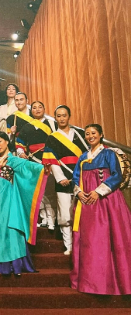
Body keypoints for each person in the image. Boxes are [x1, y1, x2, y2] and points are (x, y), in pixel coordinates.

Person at [0, 132, 48, 276]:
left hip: (8, 198)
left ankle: (11, 264)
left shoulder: (15, 160)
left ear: (7, 141)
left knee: (9, 229)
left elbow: (32, 168)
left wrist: (45, 168)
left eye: (0, 141)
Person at [70, 124, 131, 295]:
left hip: (106, 200)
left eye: (93, 133)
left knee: (110, 237)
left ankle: (115, 282)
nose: (90, 136)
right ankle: (91, 282)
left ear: (101, 135)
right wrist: (79, 192)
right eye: (87, 133)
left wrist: (98, 192)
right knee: (91, 240)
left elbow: (116, 175)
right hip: (87, 202)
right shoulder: (83, 157)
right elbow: (75, 177)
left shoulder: (108, 154)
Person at [42, 105, 88, 255]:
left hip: (81, 178)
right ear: (55, 118)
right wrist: (61, 178)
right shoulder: (52, 138)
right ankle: (69, 246)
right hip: (62, 180)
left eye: (64, 115)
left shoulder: (80, 134)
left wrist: (81, 175)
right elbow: (50, 160)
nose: (62, 119)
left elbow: (88, 155)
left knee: (82, 212)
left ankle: (83, 245)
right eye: (59, 116)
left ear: (69, 116)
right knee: (64, 214)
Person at [15, 101, 57, 231]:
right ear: (31, 110)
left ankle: (52, 219)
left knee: (49, 189)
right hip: (32, 160)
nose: (37, 110)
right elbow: (20, 142)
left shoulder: (52, 124)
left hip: (48, 159)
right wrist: (21, 153)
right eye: (34, 108)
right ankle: (44, 218)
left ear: (44, 109)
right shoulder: (27, 126)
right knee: (38, 190)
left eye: (40, 107)